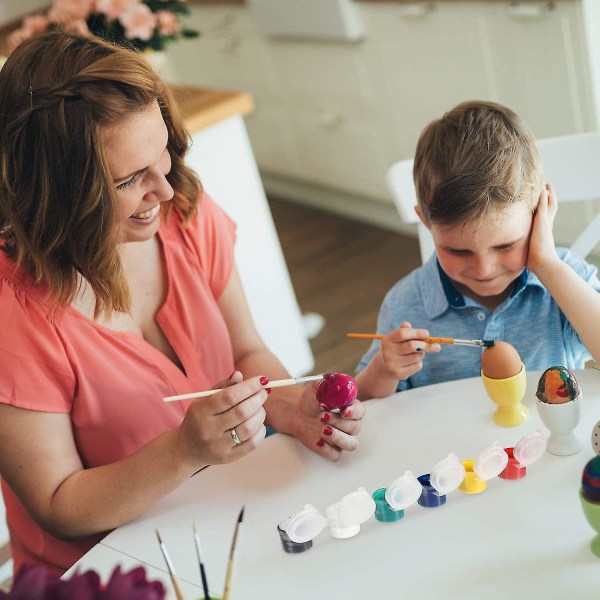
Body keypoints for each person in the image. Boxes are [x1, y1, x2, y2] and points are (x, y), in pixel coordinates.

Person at [0, 31, 365, 576]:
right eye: (129, 180)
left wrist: (293, 409)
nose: (166, 190)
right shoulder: (14, 311)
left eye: (163, 153)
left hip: (224, 525)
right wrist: (184, 450)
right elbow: (58, 505)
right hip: (109, 573)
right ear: (58, 195)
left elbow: (247, 351)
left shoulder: (183, 211)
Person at [355, 100, 600, 399]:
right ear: (426, 222)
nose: (484, 269)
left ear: (540, 212)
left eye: (505, 245)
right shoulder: (405, 304)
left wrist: (547, 265)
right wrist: (384, 369)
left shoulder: (566, 280)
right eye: (459, 251)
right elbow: (366, 407)